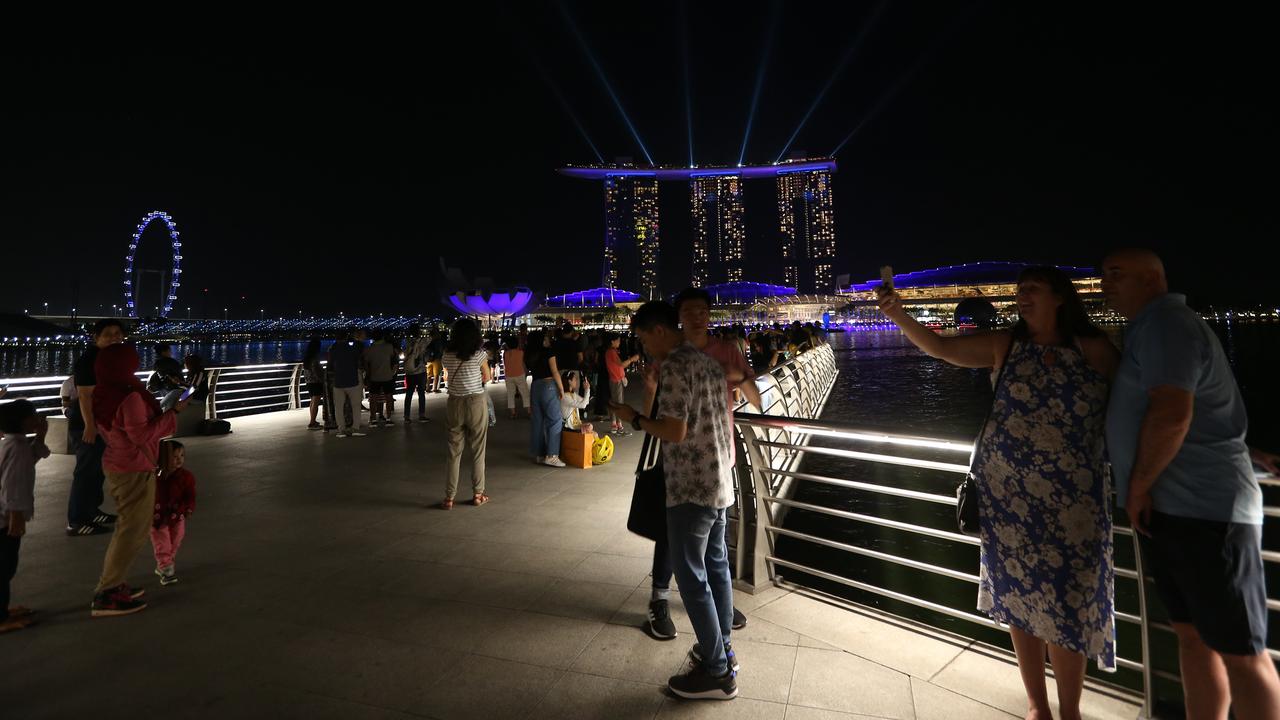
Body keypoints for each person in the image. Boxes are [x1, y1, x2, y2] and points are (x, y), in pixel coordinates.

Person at [878, 266, 1119, 720]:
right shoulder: (1005, 344)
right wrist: (899, 316)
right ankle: (1037, 706)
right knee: (1019, 603)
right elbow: (940, 348)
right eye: (1019, 290)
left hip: (1075, 506)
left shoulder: (1095, 350)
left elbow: (1134, 411)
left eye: (1033, 289)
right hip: (1008, 500)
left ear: (1060, 298)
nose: (1022, 296)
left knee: (1068, 610)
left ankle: (1070, 712)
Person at [1102, 249, 1280, 719]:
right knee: (1193, 636)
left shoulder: (1166, 324)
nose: (1105, 284)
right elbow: (1197, 412)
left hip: (1208, 513)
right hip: (1178, 511)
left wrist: (1137, 487)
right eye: (1104, 275)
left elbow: (1172, 412)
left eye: (1117, 275)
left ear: (1153, 278)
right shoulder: (1150, 328)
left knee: (1244, 652)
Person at [609, 301, 738, 701]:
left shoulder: (677, 367)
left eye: (644, 337)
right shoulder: (705, 362)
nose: (644, 346)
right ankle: (722, 650)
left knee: (692, 577)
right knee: (716, 569)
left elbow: (675, 430)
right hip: (719, 482)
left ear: (659, 330)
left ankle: (717, 671)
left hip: (689, 488)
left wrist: (633, 417)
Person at [90, 343, 189, 618]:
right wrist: (174, 413)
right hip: (133, 468)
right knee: (131, 530)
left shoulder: (104, 392)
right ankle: (107, 594)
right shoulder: (130, 396)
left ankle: (115, 583)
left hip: (119, 464)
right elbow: (141, 435)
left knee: (129, 527)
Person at [66, 317, 126, 537]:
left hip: (104, 424)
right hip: (86, 424)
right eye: (108, 334)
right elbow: (84, 395)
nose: (115, 337)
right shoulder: (89, 360)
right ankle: (75, 521)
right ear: (96, 337)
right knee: (85, 472)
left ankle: (91, 511)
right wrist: (90, 426)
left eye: (118, 333)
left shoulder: (109, 359)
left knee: (97, 471)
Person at [0, 400, 50, 634]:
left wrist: (40, 436)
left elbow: (34, 456)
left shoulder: (14, 443)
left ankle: (4, 609)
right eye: (34, 415)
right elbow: (12, 486)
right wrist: (15, 517)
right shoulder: (17, 448)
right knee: (4, 568)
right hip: (4, 520)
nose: (38, 418)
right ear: (23, 421)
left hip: (5, 517)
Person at [439, 318, 492, 510]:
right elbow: (487, 376)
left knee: (453, 452)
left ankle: (449, 498)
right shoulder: (479, 355)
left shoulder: (446, 355)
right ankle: (478, 494)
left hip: (454, 403)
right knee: (478, 450)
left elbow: (446, 376)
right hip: (475, 403)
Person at [150, 440, 195, 587]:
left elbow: (190, 495)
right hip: (157, 517)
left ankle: (165, 564)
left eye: (182, 455)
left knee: (176, 540)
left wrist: (188, 508)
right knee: (162, 543)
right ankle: (166, 569)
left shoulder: (186, 477)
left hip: (178, 515)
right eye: (174, 457)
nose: (179, 459)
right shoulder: (155, 476)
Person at [527, 331, 567, 467]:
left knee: (537, 421)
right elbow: (554, 371)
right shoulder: (548, 352)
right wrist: (561, 389)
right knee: (555, 420)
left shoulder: (528, 354)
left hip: (535, 386)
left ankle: (539, 454)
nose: (548, 339)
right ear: (541, 340)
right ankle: (552, 455)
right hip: (548, 386)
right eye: (545, 338)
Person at [327, 329, 366, 438]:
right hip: (353, 380)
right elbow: (359, 360)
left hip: (338, 382)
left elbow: (330, 366)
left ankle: (341, 430)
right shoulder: (352, 348)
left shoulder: (332, 349)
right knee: (356, 406)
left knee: (338, 407)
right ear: (346, 337)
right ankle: (355, 428)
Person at [604, 333, 639, 435]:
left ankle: (615, 425)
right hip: (616, 380)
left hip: (614, 379)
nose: (619, 342)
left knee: (615, 402)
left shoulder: (610, 352)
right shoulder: (611, 352)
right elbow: (621, 364)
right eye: (618, 340)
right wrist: (632, 359)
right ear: (612, 341)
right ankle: (618, 426)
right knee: (619, 403)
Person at [364, 330, 398, 427]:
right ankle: (388, 419)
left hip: (374, 377)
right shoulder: (389, 347)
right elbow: (394, 359)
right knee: (388, 398)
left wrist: (368, 374)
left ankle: (373, 419)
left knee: (373, 399)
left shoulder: (369, 349)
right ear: (382, 337)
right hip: (387, 376)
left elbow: (366, 363)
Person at [402, 325, 431, 423]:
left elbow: (405, 354)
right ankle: (421, 415)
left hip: (410, 372)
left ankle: (406, 416)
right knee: (421, 393)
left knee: (409, 394)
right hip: (420, 371)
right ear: (419, 332)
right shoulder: (422, 341)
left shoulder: (406, 342)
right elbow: (433, 338)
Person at [302, 336, 328, 430]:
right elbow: (316, 372)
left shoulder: (307, 358)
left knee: (312, 402)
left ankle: (313, 421)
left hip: (309, 382)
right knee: (315, 402)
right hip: (315, 382)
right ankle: (312, 423)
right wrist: (322, 379)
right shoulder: (314, 359)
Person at [502, 335, 530, 419]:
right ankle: (529, 411)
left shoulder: (505, 353)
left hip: (509, 376)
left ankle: (513, 413)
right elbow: (523, 363)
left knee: (510, 394)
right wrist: (526, 371)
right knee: (525, 393)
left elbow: (505, 364)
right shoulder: (520, 352)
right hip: (519, 374)